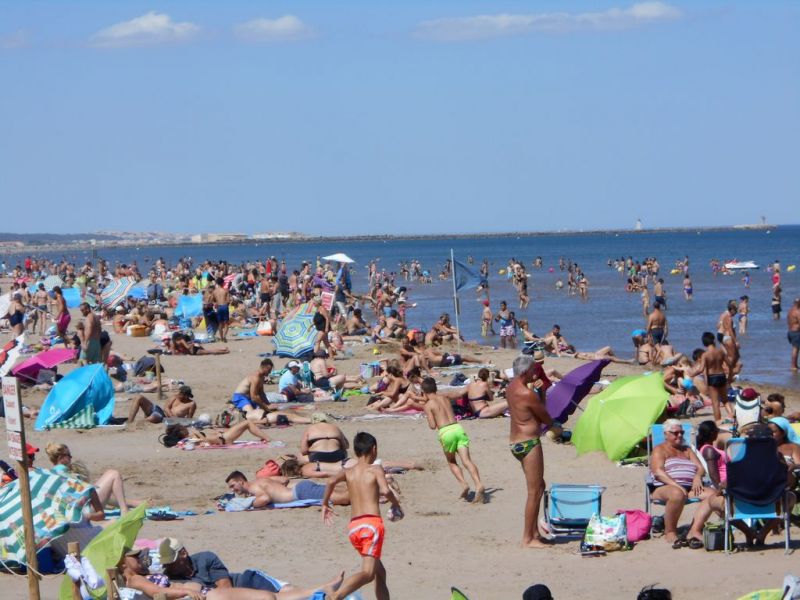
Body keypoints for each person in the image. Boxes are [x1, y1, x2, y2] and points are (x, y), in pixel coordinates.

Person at [321, 432, 402, 600]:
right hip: (371, 525)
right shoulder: (375, 469)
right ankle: (336, 596)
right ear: (374, 449)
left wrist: (324, 504)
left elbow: (330, 482)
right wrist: (396, 504)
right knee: (368, 573)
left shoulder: (348, 471)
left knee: (380, 572)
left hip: (354, 527)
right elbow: (386, 491)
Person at [157, 538, 344, 599]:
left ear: (183, 553)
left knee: (284, 592)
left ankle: (320, 590)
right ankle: (321, 591)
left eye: (171, 561)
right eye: (166, 563)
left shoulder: (206, 558)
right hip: (233, 596)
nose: (169, 566)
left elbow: (227, 589)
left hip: (245, 581)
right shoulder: (172, 579)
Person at [506, 354, 554, 549]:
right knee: (534, 492)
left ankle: (534, 532)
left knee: (540, 486)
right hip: (528, 443)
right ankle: (527, 538)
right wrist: (541, 393)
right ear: (526, 372)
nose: (536, 373)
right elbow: (545, 417)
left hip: (516, 442)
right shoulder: (527, 394)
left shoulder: (511, 388)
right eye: (534, 370)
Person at [648, 419, 712, 547]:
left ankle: (694, 530)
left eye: (682, 432)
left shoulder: (687, 450)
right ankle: (670, 531)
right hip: (664, 488)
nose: (680, 435)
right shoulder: (659, 449)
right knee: (677, 494)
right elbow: (658, 472)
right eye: (675, 433)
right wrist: (677, 486)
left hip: (689, 489)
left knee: (714, 495)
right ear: (666, 434)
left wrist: (697, 477)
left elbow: (700, 468)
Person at [421, 377, 485, 502]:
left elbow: (432, 426)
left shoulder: (428, 405)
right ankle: (478, 484)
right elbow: (458, 394)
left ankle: (464, 484)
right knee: (467, 461)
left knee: (451, 461)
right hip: (458, 428)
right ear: (436, 388)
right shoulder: (445, 397)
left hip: (446, 432)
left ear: (424, 392)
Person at [46, 442, 143, 513]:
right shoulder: (66, 473)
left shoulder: (51, 473)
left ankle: (132, 503)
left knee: (98, 489)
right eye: (69, 455)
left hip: (72, 510)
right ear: (60, 458)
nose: (71, 458)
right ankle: (124, 510)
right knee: (113, 474)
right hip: (84, 511)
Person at [225, 470, 350, 507]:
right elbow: (284, 479)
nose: (232, 490)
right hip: (301, 487)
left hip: (301, 493)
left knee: (344, 498)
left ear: (241, 481)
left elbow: (264, 498)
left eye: (233, 486)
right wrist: (278, 490)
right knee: (341, 492)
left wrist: (249, 503)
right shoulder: (260, 481)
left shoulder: (253, 487)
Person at [687, 332, 734, 423]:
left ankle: (718, 422)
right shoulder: (721, 351)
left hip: (712, 377)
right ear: (714, 340)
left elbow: (701, 369)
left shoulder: (705, 354)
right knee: (725, 400)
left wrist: (692, 373)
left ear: (704, 343)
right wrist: (730, 375)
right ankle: (732, 417)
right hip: (721, 376)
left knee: (715, 403)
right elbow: (730, 364)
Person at [695, 420, 727, 489]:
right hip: (725, 484)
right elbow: (713, 474)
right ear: (712, 433)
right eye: (717, 430)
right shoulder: (709, 450)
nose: (718, 433)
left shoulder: (709, 448)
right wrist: (720, 489)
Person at [212, 277, 231, 342]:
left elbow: (213, 301)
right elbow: (228, 301)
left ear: (217, 283)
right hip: (225, 306)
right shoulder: (226, 290)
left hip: (219, 307)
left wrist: (215, 304)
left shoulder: (214, 291)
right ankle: (225, 336)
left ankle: (222, 337)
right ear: (222, 283)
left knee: (220, 323)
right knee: (226, 323)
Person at [788, 297, 800, 371]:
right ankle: (793, 366)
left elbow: (788, 321)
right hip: (796, 332)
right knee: (795, 349)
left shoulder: (790, 311)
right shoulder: (798, 311)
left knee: (796, 348)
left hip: (790, 332)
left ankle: (795, 365)